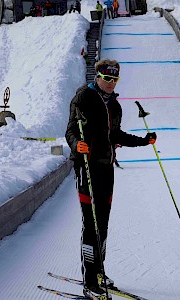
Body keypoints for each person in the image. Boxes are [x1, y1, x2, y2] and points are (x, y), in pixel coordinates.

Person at [65, 59, 157, 300]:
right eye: (107, 79)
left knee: (103, 223)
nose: (110, 83)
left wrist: (143, 141)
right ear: (97, 77)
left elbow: (115, 134)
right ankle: (89, 280)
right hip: (86, 167)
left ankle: (99, 272)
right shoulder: (83, 98)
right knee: (90, 223)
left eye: (114, 79)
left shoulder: (115, 106)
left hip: (106, 168)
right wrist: (77, 145)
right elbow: (71, 130)